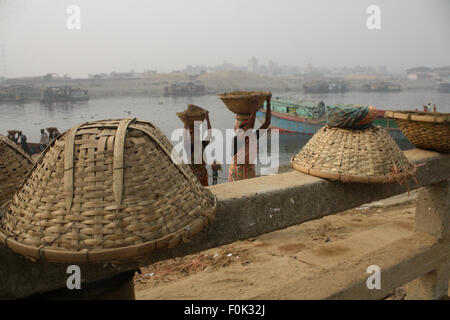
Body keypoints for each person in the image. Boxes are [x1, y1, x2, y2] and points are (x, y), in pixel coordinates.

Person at [228, 93, 272, 182]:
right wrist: (254, 107)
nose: (245, 128)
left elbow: (267, 123)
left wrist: (268, 102)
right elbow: (249, 128)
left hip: (249, 172)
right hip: (237, 174)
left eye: (246, 126)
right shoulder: (237, 139)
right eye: (243, 127)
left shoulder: (253, 136)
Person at [180, 106, 212, 186]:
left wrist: (207, 119)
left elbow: (209, 134)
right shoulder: (188, 146)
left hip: (203, 174)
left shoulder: (202, 144)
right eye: (192, 134)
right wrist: (186, 123)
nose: (195, 136)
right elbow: (184, 135)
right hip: (192, 175)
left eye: (197, 133)